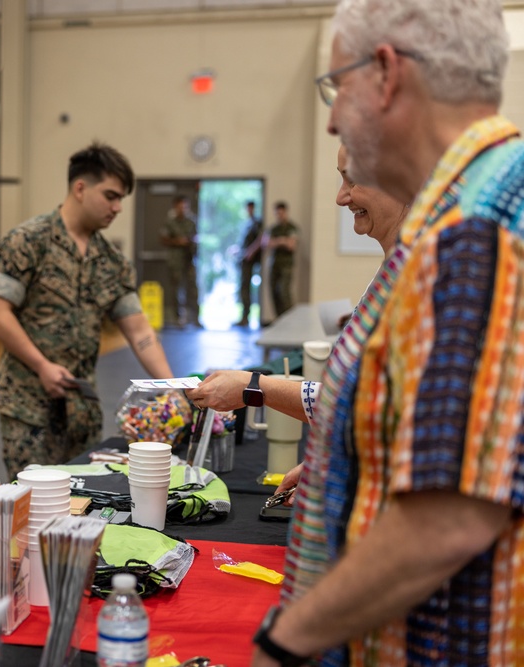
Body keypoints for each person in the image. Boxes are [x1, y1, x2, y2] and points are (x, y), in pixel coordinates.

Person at [250, 1, 524, 665]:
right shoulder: (470, 210)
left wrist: (285, 642)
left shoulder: (472, 232)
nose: (333, 118)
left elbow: (449, 517)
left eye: (336, 86)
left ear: (385, 74)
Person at [189, 142, 408, 498]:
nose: (341, 198)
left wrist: (254, 386)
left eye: (351, 181)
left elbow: (362, 407)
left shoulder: (422, 279)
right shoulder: (394, 269)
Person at [0, 142, 175, 480]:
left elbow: (140, 331)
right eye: (111, 196)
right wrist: (41, 365)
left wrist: (174, 388)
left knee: (82, 502)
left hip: (82, 409)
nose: (117, 208)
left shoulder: (112, 262)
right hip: (29, 407)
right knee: (31, 503)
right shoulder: (28, 241)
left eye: (121, 200)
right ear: (80, 188)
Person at [159, 195, 200, 327]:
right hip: (175, 260)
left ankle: (196, 318)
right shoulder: (169, 222)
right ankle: (178, 319)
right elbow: (163, 239)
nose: (183, 209)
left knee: (193, 288)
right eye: (180, 206)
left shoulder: (192, 222)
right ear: (175, 207)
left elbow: (196, 237)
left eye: (185, 206)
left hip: (190, 259)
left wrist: (191, 241)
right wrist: (178, 241)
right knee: (177, 289)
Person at [266, 201, 298, 317]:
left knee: (284, 292)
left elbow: (292, 245)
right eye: (277, 213)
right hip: (274, 265)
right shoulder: (273, 229)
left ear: (285, 212)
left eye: (281, 213)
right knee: (274, 293)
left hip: (286, 266)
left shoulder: (291, 228)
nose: (279, 215)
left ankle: (289, 319)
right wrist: (284, 240)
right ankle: (279, 319)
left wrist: (278, 241)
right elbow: (267, 243)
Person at [237, 200, 264, 327]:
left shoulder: (257, 223)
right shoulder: (247, 224)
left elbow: (260, 239)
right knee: (243, 288)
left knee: (246, 287)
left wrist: (250, 252)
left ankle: (246, 316)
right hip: (244, 259)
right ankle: (244, 316)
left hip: (250, 261)